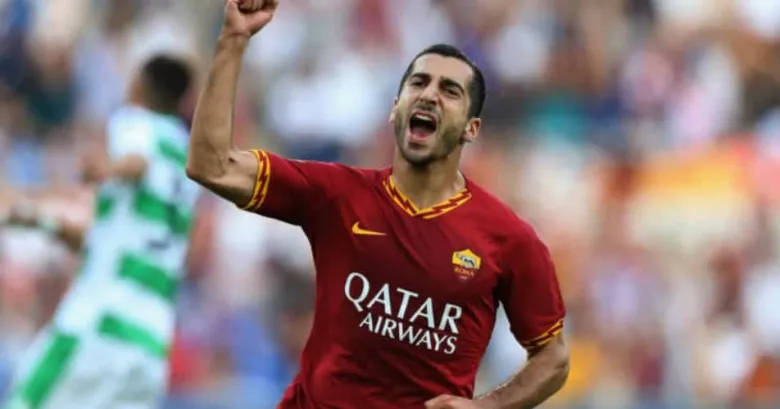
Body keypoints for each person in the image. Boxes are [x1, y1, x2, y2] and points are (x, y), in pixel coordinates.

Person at [186, 1, 570, 408]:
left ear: (471, 129)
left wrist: (486, 406)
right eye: (418, 83)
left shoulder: (508, 238)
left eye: (449, 90)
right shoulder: (337, 195)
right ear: (394, 109)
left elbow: (553, 358)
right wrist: (233, 39)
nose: (429, 95)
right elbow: (212, 165)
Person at [1, 54, 200, 409]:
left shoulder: (136, 121)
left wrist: (109, 168)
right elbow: (107, 240)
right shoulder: (187, 160)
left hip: (98, 325)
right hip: (150, 348)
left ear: (138, 86)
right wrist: (42, 220)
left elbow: (138, 160)